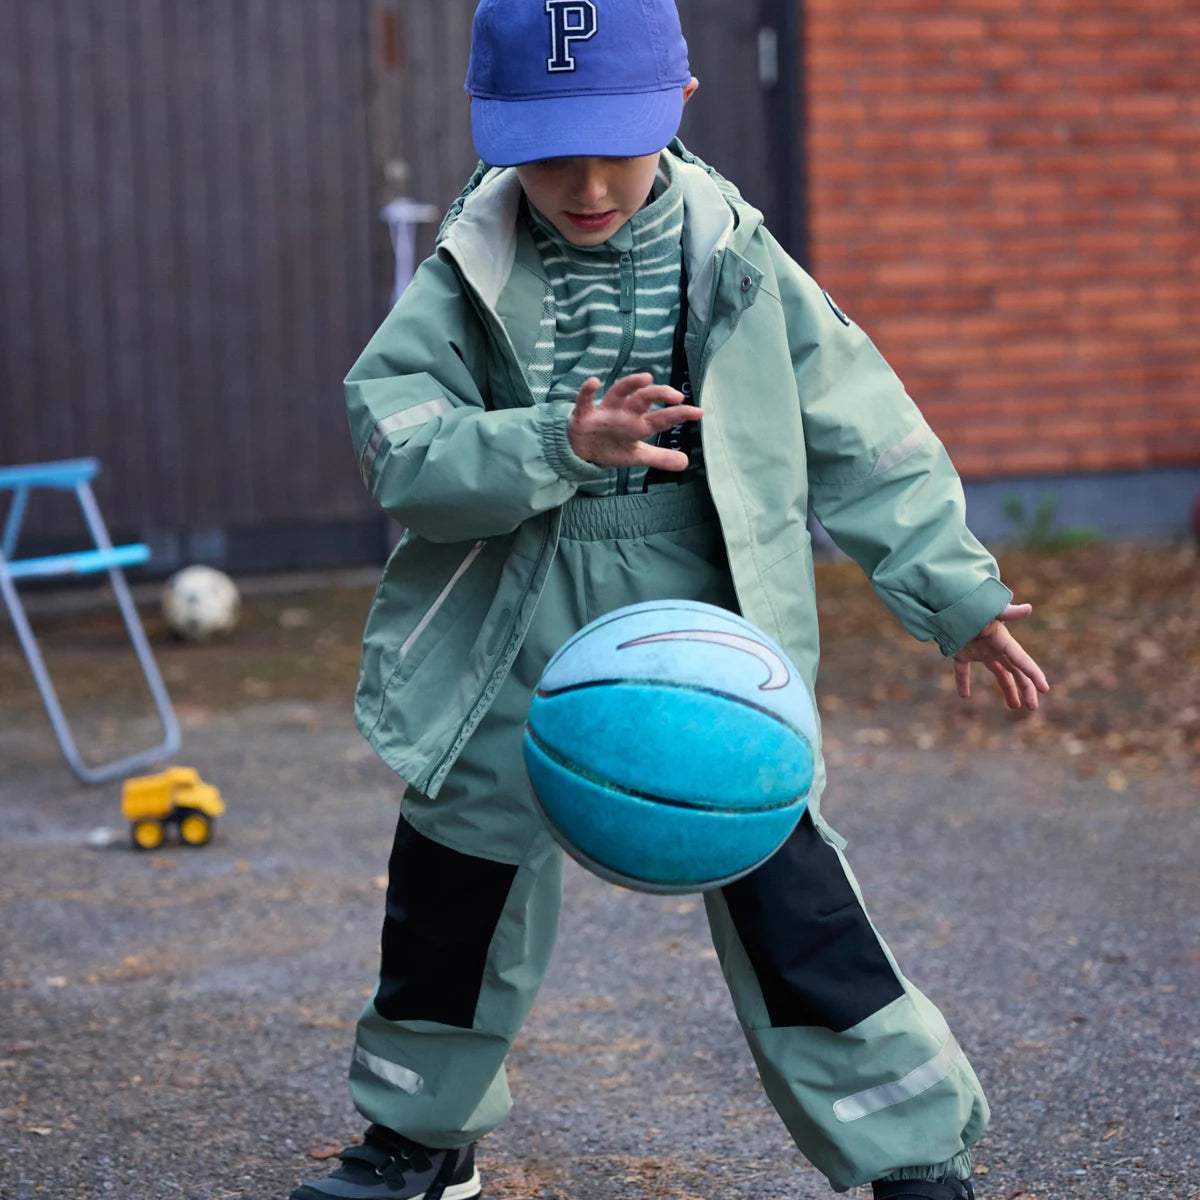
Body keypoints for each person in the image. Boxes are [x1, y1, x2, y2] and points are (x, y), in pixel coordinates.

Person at [292, 2, 1048, 1198]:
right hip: (512, 607)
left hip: (706, 611)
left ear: (680, 106)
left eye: (617, 146)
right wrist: (555, 441)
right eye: (549, 154)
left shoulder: (736, 256)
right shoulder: (465, 272)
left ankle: (909, 1151)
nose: (587, 184)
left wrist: (956, 593)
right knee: (455, 886)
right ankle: (420, 1142)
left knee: (789, 890)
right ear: (493, 131)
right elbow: (401, 449)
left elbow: (863, 431)